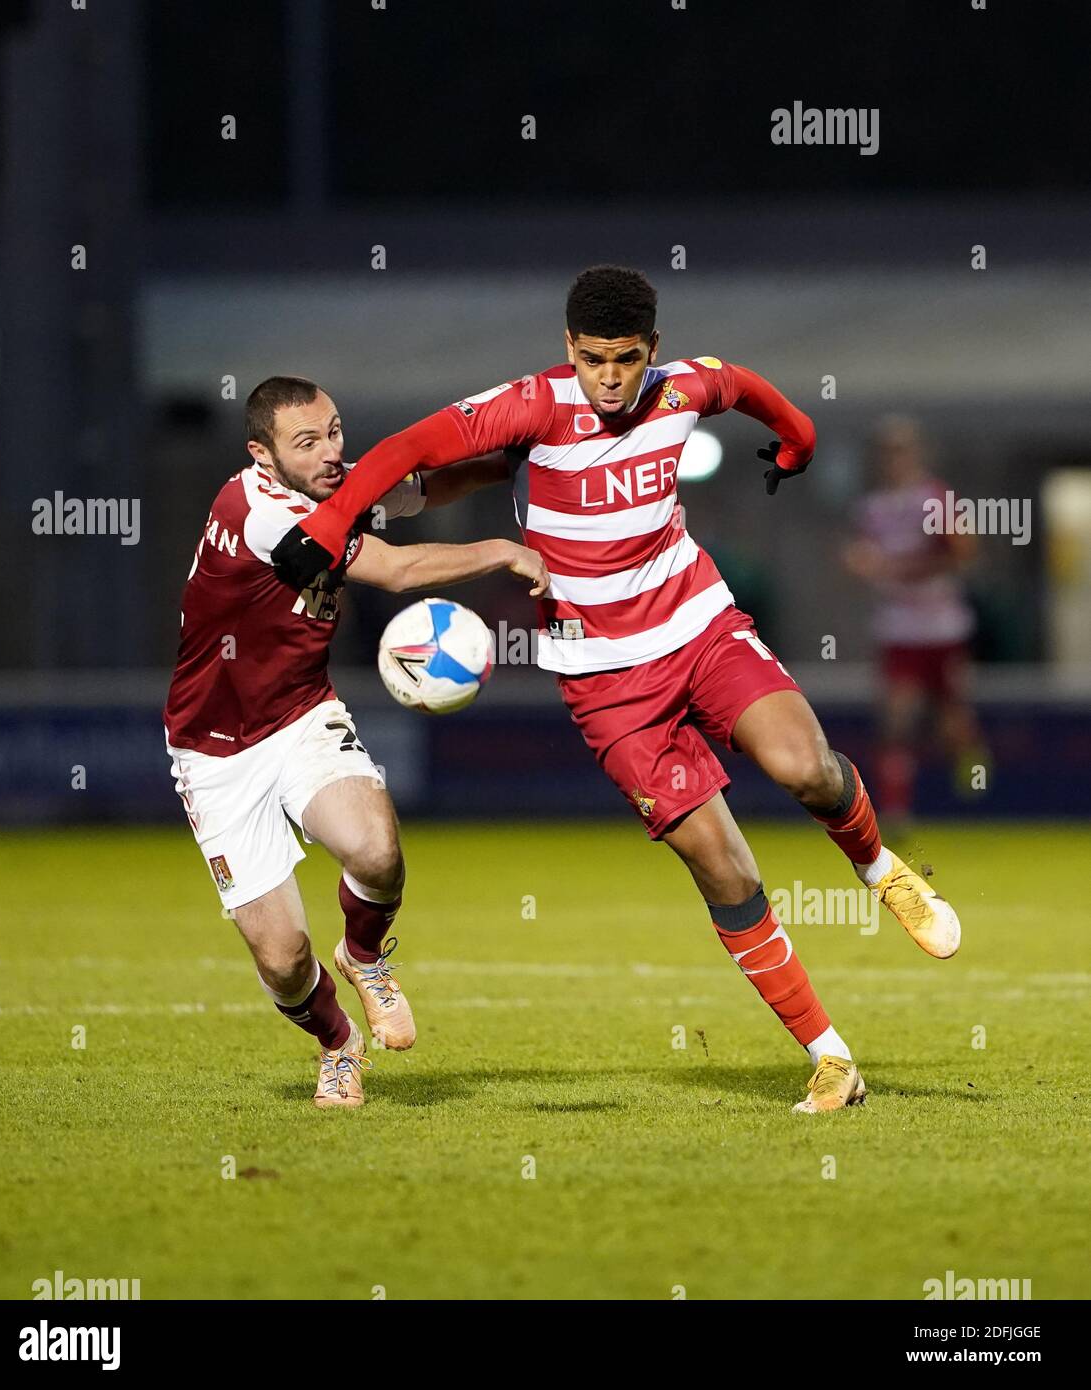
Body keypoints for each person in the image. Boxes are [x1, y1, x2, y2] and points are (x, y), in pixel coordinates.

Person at [271, 266, 963, 1115]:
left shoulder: (680, 391)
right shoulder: (531, 405)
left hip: (700, 626)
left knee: (805, 766)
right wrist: (332, 525)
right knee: (722, 865)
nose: (608, 376)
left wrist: (800, 443)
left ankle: (879, 868)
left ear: (652, 352)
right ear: (570, 349)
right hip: (605, 681)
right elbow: (410, 450)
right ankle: (830, 1059)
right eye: (593, 358)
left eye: (625, 359)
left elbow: (745, 386)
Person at [163, 376, 547, 1108]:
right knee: (282, 962)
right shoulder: (257, 511)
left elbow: (425, 490)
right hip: (214, 753)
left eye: (335, 431)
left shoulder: (341, 489)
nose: (333, 452)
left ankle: (364, 955)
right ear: (261, 454)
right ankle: (337, 1042)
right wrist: (502, 548)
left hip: (302, 714)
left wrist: (514, 462)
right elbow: (397, 569)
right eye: (307, 442)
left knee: (376, 850)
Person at [843, 415, 988, 830]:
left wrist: (898, 568)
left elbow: (963, 553)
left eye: (901, 451)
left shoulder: (935, 499)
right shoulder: (871, 508)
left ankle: (974, 774)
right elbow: (865, 560)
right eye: (887, 452)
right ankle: (895, 811)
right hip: (898, 628)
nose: (894, 460)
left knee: (952, 724)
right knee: (896, 720)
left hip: (942, 626)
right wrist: (862, 565)